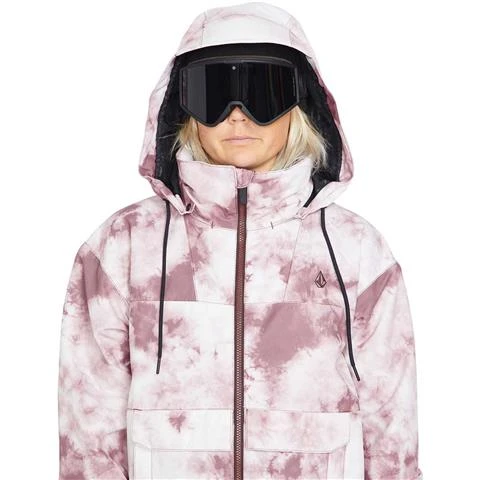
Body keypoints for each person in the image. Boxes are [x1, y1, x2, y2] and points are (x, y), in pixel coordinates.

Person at [58, 2, 423, 479]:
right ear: (182, 107)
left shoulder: (356, 251)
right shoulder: (123, 246)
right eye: (214, 94)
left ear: (300, 104)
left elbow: (391, 426)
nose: (237, 116)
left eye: (261, 93)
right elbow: (89, 428)